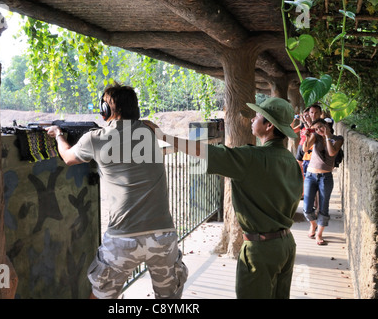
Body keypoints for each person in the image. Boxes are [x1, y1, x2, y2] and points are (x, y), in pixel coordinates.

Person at [144, 97, 303, 299]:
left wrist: (162, 135)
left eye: (258, 116)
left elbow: (204, 152)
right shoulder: (290, 160)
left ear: (269, 125)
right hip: (286, 245)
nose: (253, 118)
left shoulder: (251, 158)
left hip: (260, 251)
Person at [46, 83, 188, 299]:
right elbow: (147, 126)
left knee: (101, 295)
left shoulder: (94, 138)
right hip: (162, 235)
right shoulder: (149, 131)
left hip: (123, 237)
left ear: (107, 110)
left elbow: (67, 157)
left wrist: (58, 134)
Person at [302, 118, 344, 245]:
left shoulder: (338, 138)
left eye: (320, 127)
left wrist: (327, 136)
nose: (318, 130)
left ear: (326, 124)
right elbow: (305, 149)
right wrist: (308, 137)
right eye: (316, 129)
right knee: (307, 207)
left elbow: (331, 153)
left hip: (325, 177)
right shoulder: (315, 136)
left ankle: (319, 234)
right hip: (310, 175)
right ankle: (313, 224)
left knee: (323, 207)